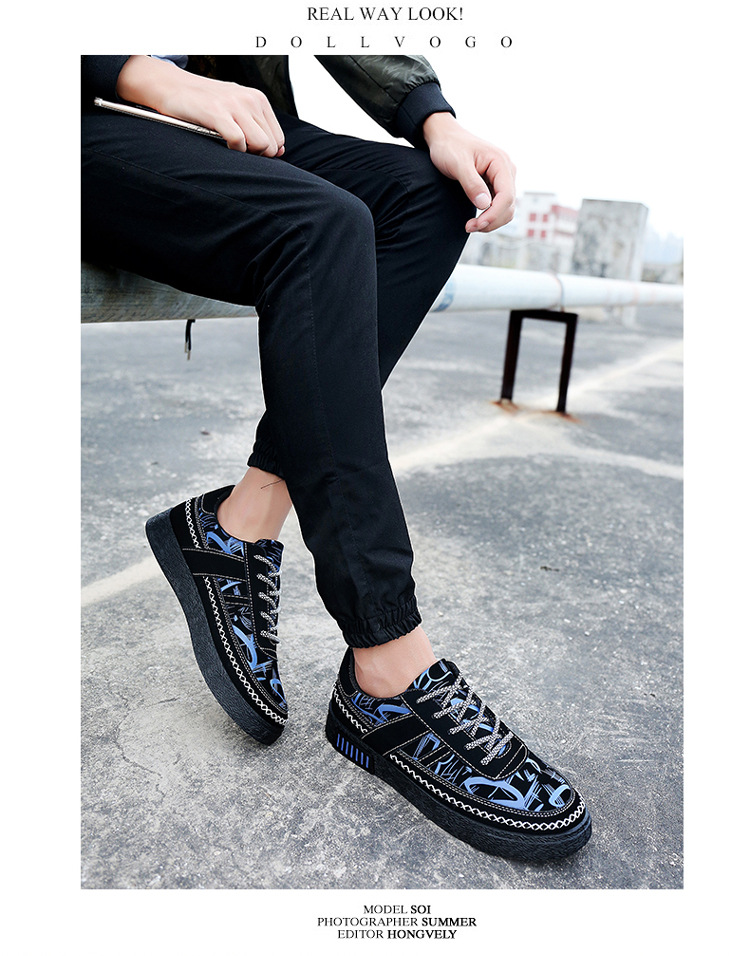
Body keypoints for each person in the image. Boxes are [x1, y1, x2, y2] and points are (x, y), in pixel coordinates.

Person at [81, 54, 591, 862]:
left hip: (235, 117)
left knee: (430, 196)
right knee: (319, 223)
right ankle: (388, 664)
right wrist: (138, 72)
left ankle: (240, 524)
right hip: (77, 112)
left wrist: (432, 116)